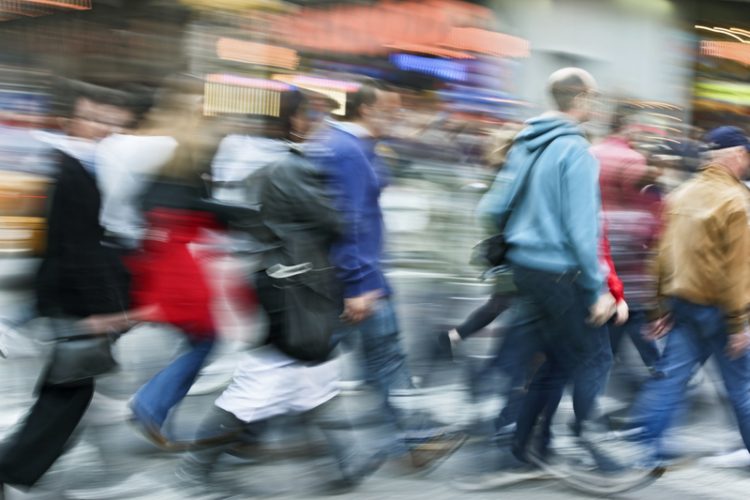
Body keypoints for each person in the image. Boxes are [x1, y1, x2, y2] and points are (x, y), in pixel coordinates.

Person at [176, 88, 383, 495]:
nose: (321, 122)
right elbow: (339, 221)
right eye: (314, 115)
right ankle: (195, 469)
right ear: (297, 121)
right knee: (264, 380)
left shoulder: (269, 163)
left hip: (286, 278)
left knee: (314, 376)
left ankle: (348, 463)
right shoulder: (296, 168)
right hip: (296, 284)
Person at [311, 80, 465, 469]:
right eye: (391, 109)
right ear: (366, 109)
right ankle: (400, 444)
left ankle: (412, 441)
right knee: (317, 366)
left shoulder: (352, 146)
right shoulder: (347, 151)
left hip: (355, 277)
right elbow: (349, 222)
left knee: (380, 361)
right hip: (354, 281)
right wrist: (360, 284)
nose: (398, 116)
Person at [0, 83, 134, 496]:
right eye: (93, 118)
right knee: (68, 389)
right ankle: (13, 468)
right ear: (71, 119)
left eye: (110, 121)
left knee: (69, 388)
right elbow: (78, 247)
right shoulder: (70, 169)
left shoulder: (73, 163)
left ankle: (22, 466)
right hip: (71, 297)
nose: (102, 128)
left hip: (60, 291)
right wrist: (100, 308)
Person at [477, 67, 614, 464]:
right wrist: (597, 289)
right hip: (558, 274)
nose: (597, 103)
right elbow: (581, 231)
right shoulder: (577, 152)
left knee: (543, 354)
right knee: (573, 357)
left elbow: (492, 207)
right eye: (596, 96)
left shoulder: (525, 142)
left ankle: (525, 443)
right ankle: (560, 446)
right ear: (581, 99)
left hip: (523, 270)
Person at [628, 126, 750, 464]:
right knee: (742, 387)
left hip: (683, 305)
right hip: (720, 310)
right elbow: (738, 268)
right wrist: (738, 322)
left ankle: (646, 452)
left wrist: (657, 308)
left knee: (671, 379)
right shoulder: (737, 200)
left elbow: (661, 256)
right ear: (736, 155)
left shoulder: (681, 195)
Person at [591, 103, 662, 377]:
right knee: (633, 309)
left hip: (594, 244)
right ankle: (656, 367)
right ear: (629, 127)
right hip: (625, 248)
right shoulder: (633, 159)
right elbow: (643, 207)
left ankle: (604, 367)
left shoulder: (591, 153)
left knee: (612, 311)